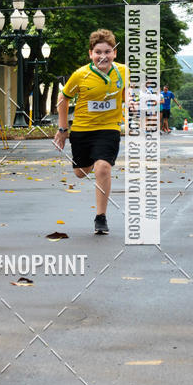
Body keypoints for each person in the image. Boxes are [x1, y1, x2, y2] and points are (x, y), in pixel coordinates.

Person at [53, 28, 128, 235]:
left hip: (109, 129)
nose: (103, 56)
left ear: (114, 53)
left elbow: (127, 95)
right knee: (80, 172)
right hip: (82, 130)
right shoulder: (80, 75)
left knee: (103, 167)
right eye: (98, 52)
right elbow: (63, 98)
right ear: (90, 54)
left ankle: (101, 217)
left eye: (107, 52)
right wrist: (62, 129)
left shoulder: (123, 71)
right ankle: (87, 164)